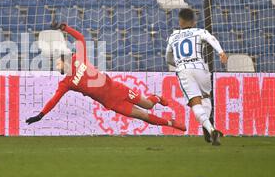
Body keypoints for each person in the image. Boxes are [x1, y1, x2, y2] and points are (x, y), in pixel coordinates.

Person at [26, 22, 185, 132]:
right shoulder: (66, 84)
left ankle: (156, 97)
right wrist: (41, 115)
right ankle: (170, 123)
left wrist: (65, 28)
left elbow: (81, 39)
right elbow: (54, 100)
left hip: (117, 89)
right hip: (112, 103)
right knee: (144, 116)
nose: (56, 66)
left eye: (57, 63)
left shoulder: (77, 58)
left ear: (64, 60)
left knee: (148, 105)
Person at [165, 8, 227, 146]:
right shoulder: (200, 31)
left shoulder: (173, 36)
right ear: (194, 21)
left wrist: (178, 63)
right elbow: (211, 39)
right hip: (201, 68)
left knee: (195, 102)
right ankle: (207, 127)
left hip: (184, 70)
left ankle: (210, 129)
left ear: (180, 21)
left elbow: (168, 57)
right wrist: (221, 52)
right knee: (206, 98)